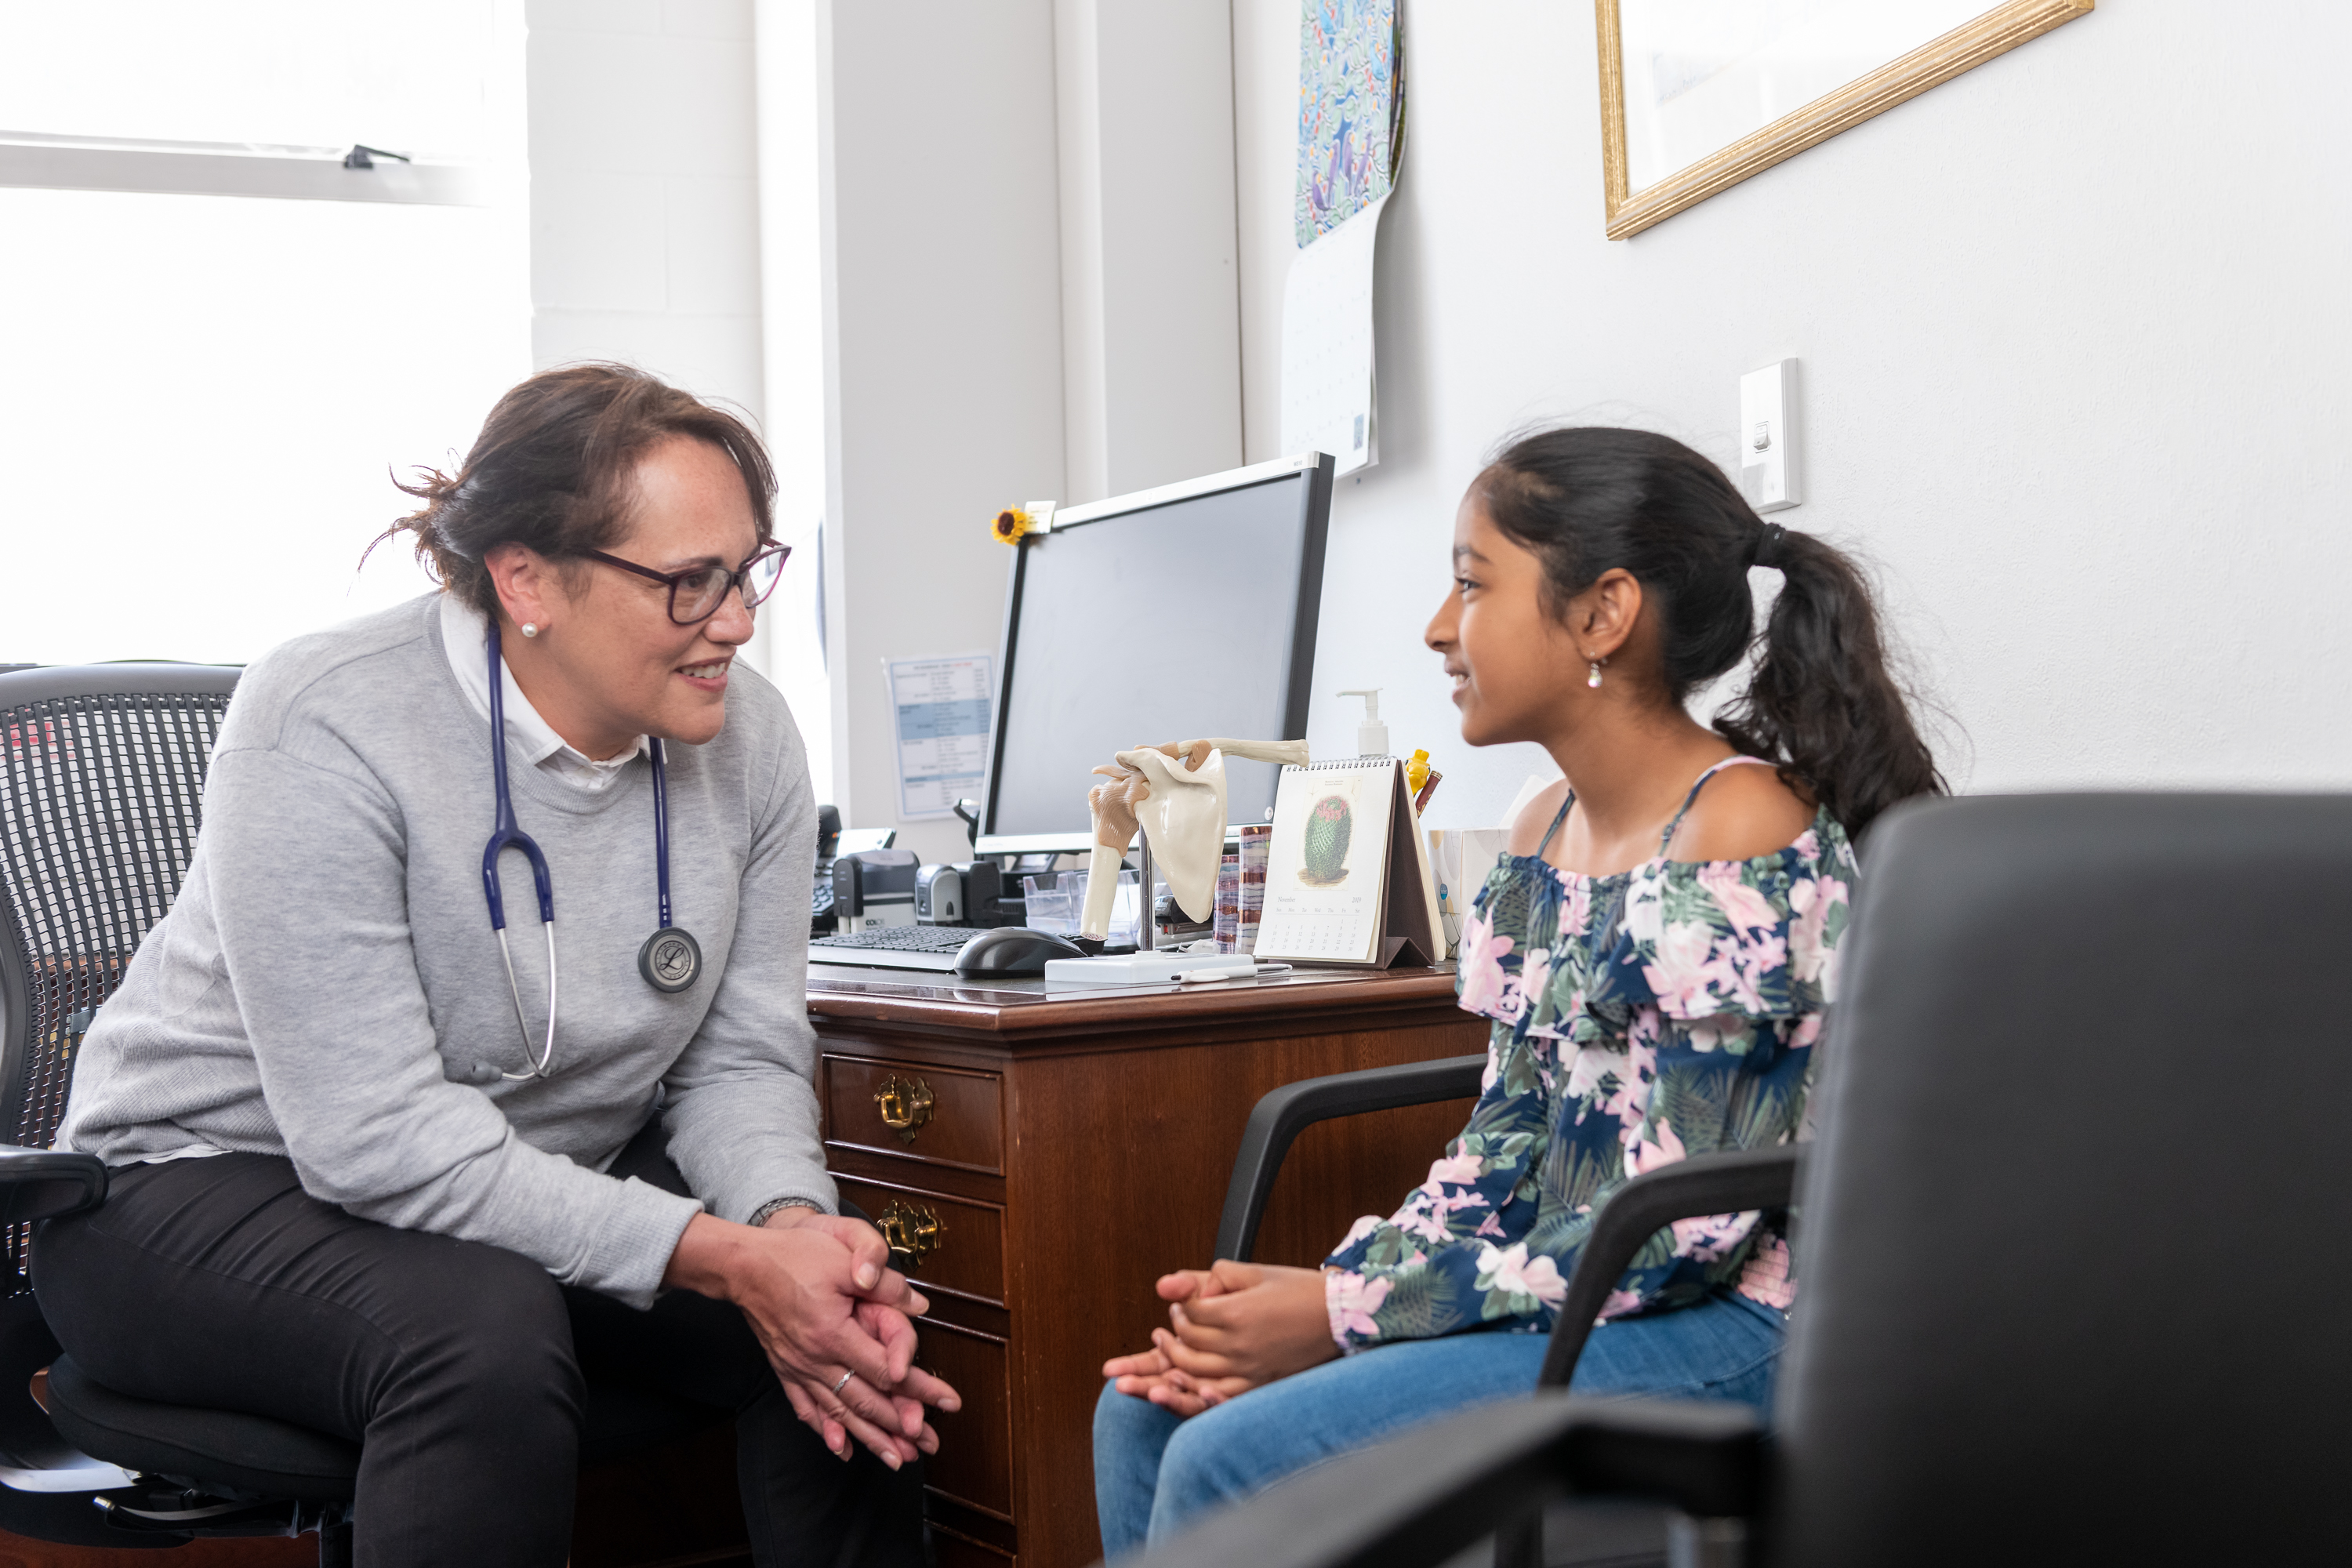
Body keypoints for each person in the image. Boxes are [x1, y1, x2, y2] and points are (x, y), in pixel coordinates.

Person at [37, 365, 957, 1567]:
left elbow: (737, 1063)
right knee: (481, 1335)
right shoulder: (327, 717)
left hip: (501, 1186)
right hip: (192, 1193)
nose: (735, 621)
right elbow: (372, 1137)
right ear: (525, 578)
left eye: (746, 572)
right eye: (689, 582)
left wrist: (790, 1230)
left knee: (838, 1324)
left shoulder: (753, 741)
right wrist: (728, 1259)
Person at [1091, 426, 1945, 1554]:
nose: (1440, 629)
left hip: (1735, 1324)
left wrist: (1344, 1318)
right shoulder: (1544, 832)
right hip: (1578, 1288)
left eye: (1470, 584)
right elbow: (1505, 1140)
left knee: (1228, 1451)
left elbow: (1684, 1239)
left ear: (1602, 614)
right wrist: (1353, 1284)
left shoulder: (1739, 835)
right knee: (1145, 1410)